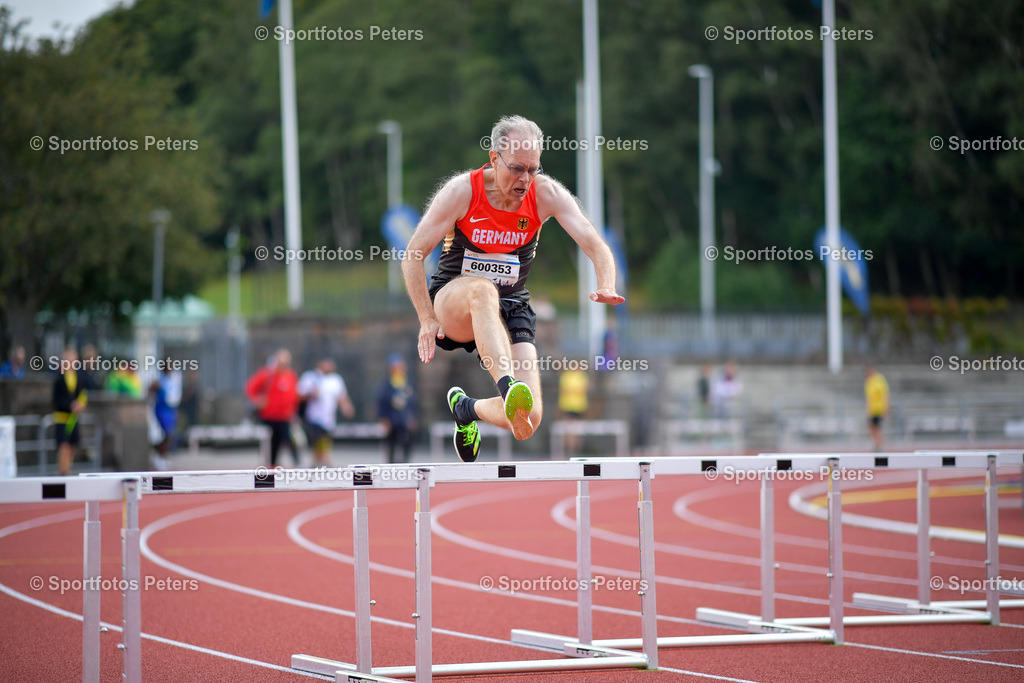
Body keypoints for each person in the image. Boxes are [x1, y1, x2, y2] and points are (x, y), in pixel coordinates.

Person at [402, 115, 624, 462]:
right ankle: (507, 387)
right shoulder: (463, 191)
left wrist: (606, 284)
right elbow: (413, 256)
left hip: (512, 306)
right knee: (483, 291)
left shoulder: (545, 193)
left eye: (533, 169)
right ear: (494, 159)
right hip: (456, 300)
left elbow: (595, 244)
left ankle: (467, 409)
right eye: (517, 169)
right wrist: (426, 318)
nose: (525, 180)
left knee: (528, 419)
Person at [245, 349, 300, 467]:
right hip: (268, 415)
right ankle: (270, 464)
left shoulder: (291, 375)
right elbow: (250, 386)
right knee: (271, 442)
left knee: (287, 438)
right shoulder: (267, 374)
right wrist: (257, 400)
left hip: (284, 416)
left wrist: (293, 411)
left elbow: (294, 395)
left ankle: (296, 462)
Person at [297, 358, 355, 467]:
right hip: (313, 417)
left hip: (328, 418)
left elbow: (341, 396)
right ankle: (322, 462)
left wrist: (346, 407)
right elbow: (299, 396)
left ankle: (320, 463)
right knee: (318, 440)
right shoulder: (310, 377)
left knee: (324, 439)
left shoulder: (336, 380)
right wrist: (311, 394)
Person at [377, 353, 417, 463]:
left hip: (404, 420)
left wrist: (411, 418)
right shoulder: (386, 384)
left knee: (407, 445)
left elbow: (413, 402)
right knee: (391, 446)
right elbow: (381, 402)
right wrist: (384, 419)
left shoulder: (407, 382)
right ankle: (391, 469)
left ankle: (406, 465)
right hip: (392, 420)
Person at [53, 347, 86, 475]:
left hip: (73, 418)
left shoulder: (79, 378)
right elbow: (56, 399)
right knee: (64, 446)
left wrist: (80, 405)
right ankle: (63, 472)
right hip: (62, 418)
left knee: (72, 446)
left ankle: (68, 470)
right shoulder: (59, 379)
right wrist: (69, 405)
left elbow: (83, 395)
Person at [149, 368, 180, 470]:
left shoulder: (173, 378)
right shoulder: (159, 379)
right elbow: (150, 390)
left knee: (169, 434)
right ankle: (159, 454)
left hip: (169, 410)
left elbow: (175, 396)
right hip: (161, 410)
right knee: (164, 433)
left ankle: (162, 455)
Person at [558, 366, 589, 454]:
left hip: (579, 405)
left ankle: (576, 448)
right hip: (568, 405)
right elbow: (565, 390)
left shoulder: (581, 375)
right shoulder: (567, 375)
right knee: (569, 429)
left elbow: (584, 389)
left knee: (577, 429)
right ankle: (570, 449)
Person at [865, 364, 889, 450]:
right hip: (873, 409)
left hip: (878, 409)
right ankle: (877, 444)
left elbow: (884, 395)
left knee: (876, 428)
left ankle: (879, 444)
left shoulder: (879, 380)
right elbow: (869, 398)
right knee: (872, 428)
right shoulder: (869, 382)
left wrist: (885, 408)